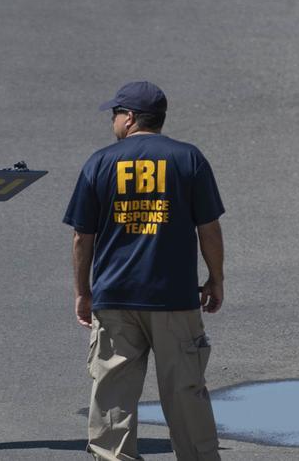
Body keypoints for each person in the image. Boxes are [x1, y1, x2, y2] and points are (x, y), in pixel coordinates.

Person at [64, 81, 225, 461]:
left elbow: (81, 237)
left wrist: (83, 291)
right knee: (185, 393)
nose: (113, 121)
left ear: (130, 117)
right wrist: (215, 279)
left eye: (115, 114)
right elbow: (209, 228)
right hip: (174, 298)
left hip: (116, 298)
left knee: (113, 397)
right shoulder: (188, 159)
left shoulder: (100, 162)